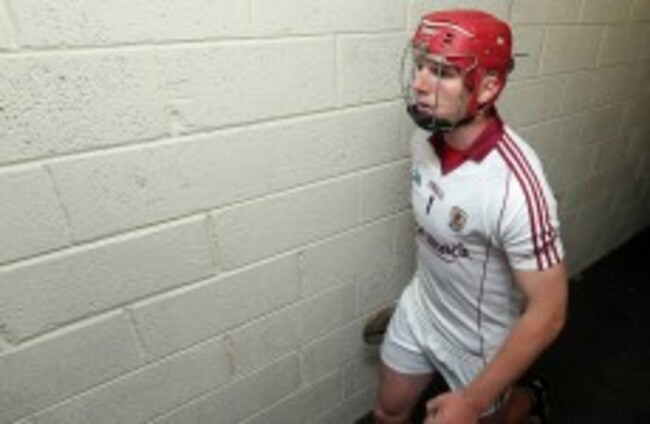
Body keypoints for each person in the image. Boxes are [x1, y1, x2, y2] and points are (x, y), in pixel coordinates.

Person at [370, 9, 568, 424]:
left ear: (488, 87)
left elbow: (549, 311)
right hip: (421, 306)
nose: (420, 83)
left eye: (442, 72)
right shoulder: (423, 138)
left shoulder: (516, 186)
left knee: (493, 418)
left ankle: (528, 398)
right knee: (388, 412)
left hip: (477, 341)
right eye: (421, 65)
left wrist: (474, 402)